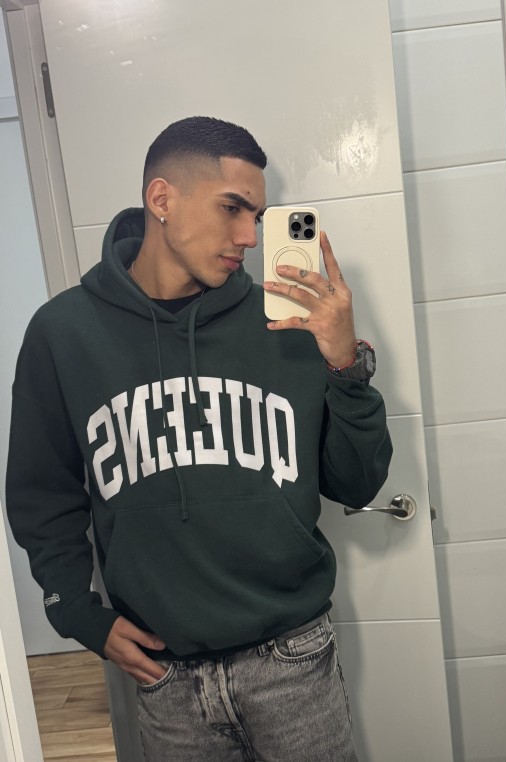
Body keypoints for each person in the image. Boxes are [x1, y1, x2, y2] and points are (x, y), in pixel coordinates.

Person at [6, 116, 392, 761]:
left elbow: (357, 483)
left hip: (292, 660)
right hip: (166, 675)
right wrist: (74, 609)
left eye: (257, 216)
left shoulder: (288, 324)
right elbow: (41, 494)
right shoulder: (63, 333)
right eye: (232, 208)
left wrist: (345, 364)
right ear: (162, 198)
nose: (249, 237)